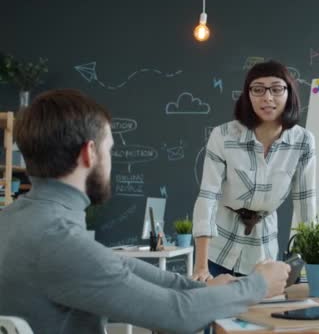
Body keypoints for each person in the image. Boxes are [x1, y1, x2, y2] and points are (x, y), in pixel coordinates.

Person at [0, 89, 290, 334]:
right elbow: (177, 315)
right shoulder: (59, 241)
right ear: (89, 153)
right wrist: (258, 285)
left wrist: (208, 289)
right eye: (109, 151)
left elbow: (119, 267)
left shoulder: (18, 221)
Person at [192, 60, 316, 281]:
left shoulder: (303, 141)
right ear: (248, 95)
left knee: (257, 314)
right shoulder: (223, 136)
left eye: (277, 89)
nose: (267, 97)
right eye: (258, 89)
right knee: (212, 314)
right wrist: (201, 267)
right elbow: (208, 196)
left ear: (289, 93)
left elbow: (305, 203)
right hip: (217, 250)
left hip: (264, 253)